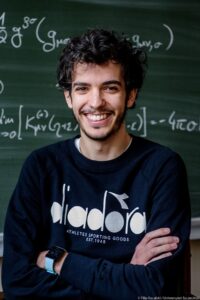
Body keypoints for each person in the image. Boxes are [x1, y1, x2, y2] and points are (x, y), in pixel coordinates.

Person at [2, 29, 191, 299]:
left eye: (110, 88)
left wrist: (59, 261)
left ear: (131, 95)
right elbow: (16, 281)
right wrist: (126, 278)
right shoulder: (41, 166)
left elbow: (156, 287)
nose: (95, 102)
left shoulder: (162, 168)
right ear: (69, 97)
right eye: (82, 88)